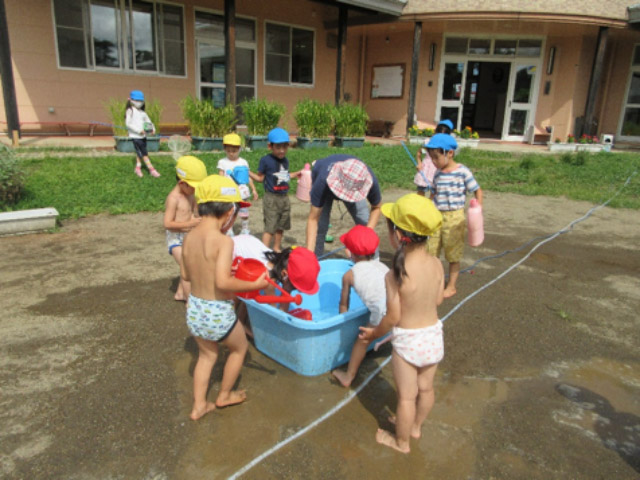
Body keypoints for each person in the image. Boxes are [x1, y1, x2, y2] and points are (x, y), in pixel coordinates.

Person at [359, 193, 444, 454]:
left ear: (397, 235)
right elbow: (439, 299)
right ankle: (415, 427)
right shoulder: (437, 264)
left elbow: (393, 318)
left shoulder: (395, 274)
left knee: (406, 397)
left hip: (408, 342)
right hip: (433, 337)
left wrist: (374, 333)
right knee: (426, 389)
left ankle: (401, 441)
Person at [181, 175, 270, 421]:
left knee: (207, 355)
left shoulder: (189, 237)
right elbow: (223, 283)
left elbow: (186, 274)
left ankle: (199, 405)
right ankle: (224, 395)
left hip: (195, 309)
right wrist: (256, 283)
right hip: (217, 313)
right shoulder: (223, 241)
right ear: (229, 212)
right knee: (239, 349)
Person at [331, 225, 389, 388]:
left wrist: (342, 326)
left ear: (351, 253)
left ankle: (348, 376)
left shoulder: (349, 275)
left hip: (382, 312)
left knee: (362, 340)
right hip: (400, 307)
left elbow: (344, 304)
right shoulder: (382, 266)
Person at [426, 133, 483, 298]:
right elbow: (433, 194)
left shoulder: (462, 172)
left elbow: (477, 190)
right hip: (436, 217)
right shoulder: (437, 174)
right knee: (431, 251)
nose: (434, 162)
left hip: (455, 217)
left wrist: (478, 210)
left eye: (436, 158)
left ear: (449, 153)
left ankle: (451, 286)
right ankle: (433, 282)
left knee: (453, 253)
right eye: (431, 159)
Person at [231, 236, 320, 336]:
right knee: (238, 294)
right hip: (231, 256)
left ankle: (241, 321)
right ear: (284, 274)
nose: (296, 291)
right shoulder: (269, 281)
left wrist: (287, 292)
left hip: (245, 242)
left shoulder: (280, 261)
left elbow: (285, 300)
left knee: (251, 291)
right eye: (295, 287)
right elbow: (275, 315)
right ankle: (233, 323)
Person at [305, 155, 382, 257]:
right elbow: (313, 219)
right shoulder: (322, 180)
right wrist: (308, 256)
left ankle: (373, 262)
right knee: (321, 226)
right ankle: (315, 259)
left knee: (364, 221)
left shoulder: (366, 179)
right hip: (326, 188)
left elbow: (377, 207)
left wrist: (367, 234)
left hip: (354, 186)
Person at [163, 155, 207, 301]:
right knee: (187, 267)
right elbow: (167, 224)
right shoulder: (173, 198)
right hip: (175, 239)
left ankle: (180, 293)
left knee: (189, 264)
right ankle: (190, 301)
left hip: (188, 237)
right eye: (194, 186)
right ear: (182, 183)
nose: (196, 190)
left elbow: (195, 212)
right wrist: (189, 224)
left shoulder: (190, 194)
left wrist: (199, 219)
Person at [249, 128, 300, 252]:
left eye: (284, 147)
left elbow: (284, 176)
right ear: (270, 146)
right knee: (270, 226)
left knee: (281, 225)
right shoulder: (266, 160)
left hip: (284, 197)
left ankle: (276, 247)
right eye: (278, 147)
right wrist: (248, 172)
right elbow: (260, 178)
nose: (282, 150)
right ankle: (264, 250)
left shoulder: (285, 161)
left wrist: (297, 174)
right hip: (271, 198)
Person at [217, 133, 259, 235]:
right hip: (228, 191)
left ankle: (245, 228)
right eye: (228, 151)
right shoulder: (222, 162)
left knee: (243, 210)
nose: (231, 153)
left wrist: (253, 189)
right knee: (228, 210)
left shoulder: (243, 162)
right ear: (225, 149)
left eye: (234, 151)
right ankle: (229, 228)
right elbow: (220, 176)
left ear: (239, 149)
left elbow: (247, 177)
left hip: (242, 190)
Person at [125, 90, 160, 178]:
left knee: (139, 153)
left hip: (143, 137)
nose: (139, 103)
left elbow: (149, 122)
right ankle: (151, 169)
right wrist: (139, 131)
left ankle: (138, 168)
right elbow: (128, 124)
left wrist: (152, 129)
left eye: (140, 101)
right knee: (144, 153)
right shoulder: (130, 110)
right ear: (131, 100)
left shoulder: (143, 113)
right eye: (137, 100)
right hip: (135, 137)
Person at [414, 119, 454, 196]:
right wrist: (419, 163)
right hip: (425, 170)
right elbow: (419, 152)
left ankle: (431, 206)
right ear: (435, 132)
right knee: (421, 191)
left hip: (438, 170)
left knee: (435, 192)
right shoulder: (428, 142)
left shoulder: (447, 145)